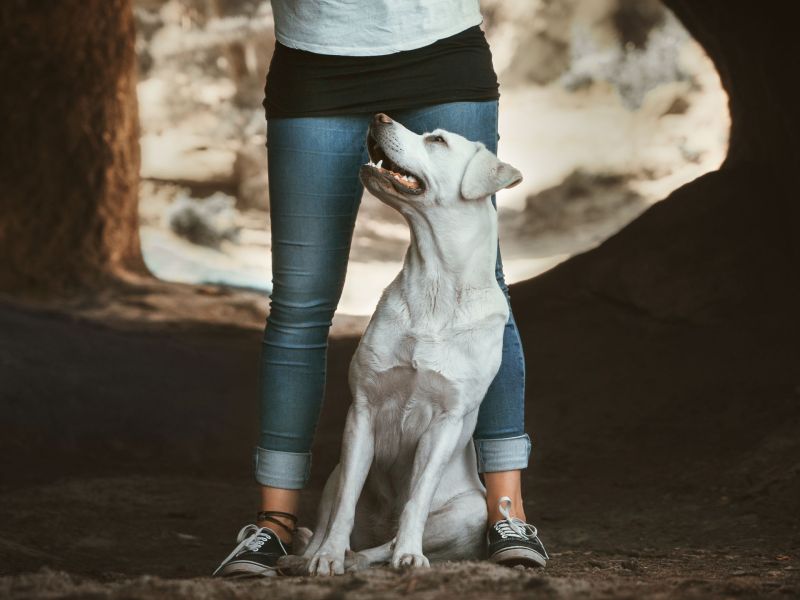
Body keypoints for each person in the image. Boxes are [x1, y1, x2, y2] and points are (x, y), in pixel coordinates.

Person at [213, 0, 548, 577]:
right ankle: (274, 525)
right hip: (315, 50)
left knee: (484, 281)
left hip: (440, 40)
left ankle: (504, 513)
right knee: (299, 301)